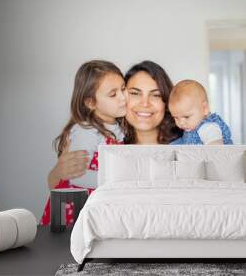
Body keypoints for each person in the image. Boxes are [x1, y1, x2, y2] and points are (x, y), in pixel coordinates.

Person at [46, 60, 181, 191]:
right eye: (134, 93)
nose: (145, 103)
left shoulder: (183, 146)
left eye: (156, 95)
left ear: (166, 102)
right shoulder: (107, 139)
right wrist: (57, 173)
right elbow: (66, 185)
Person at [40, 60, 126, 226]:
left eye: (123, 89)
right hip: (77, 204)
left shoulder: (117, 127)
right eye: (113, 94)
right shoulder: (86, 131)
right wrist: (115, 181)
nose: (123, 98)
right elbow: (78, 176)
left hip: (99, 201)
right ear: (90, 102)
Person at [168, 79, 233, 145]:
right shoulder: (191, 126)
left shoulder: (208, 128)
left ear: (204, 109)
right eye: (176, 118)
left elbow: (216, 150)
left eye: (186, 117)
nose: (181, 123)